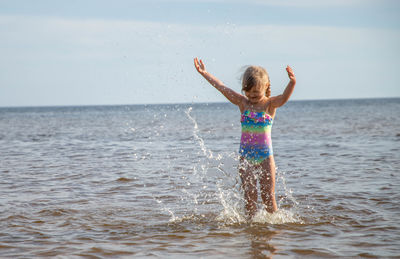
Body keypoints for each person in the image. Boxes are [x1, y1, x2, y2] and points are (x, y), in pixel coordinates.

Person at [194, 57, 296, 218]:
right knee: (249, 197)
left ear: (266, 86)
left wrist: (292, 83)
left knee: (268, 196)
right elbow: (222, 87)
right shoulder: (243, 103)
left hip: (265, 158)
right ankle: (250, 226)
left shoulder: (270, 104)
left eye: (256, 92)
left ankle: (274, 226)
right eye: (248, 91)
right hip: (246, 158)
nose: (252, 95)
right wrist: (205, 73)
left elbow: (283, 98)